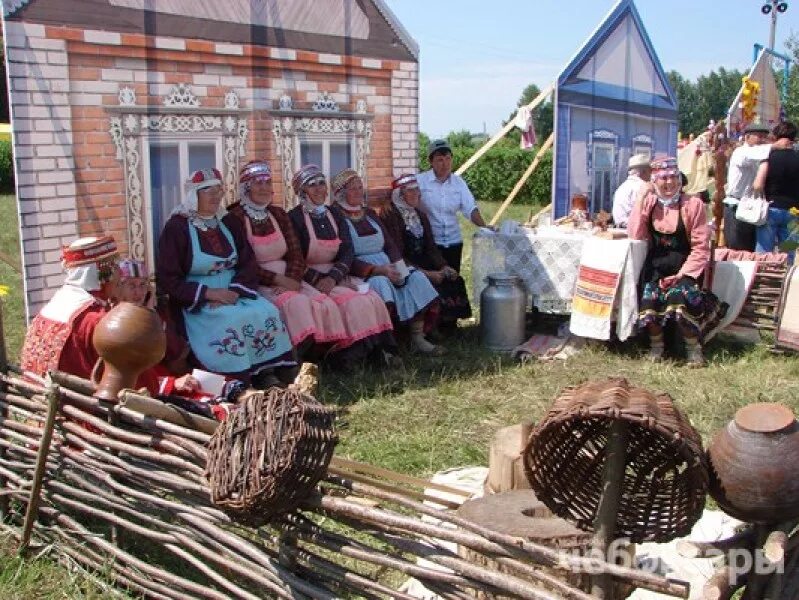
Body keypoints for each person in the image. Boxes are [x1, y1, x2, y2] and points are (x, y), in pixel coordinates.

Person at [156, 168, 295, 387]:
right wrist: (209, 294)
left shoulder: (228, 221)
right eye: (208, 191)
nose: (215, 196)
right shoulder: (177, 228)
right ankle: (236, 379)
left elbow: (247, 262)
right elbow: (168, 279)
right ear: (194, 195)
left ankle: (265, 371)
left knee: (266, 310)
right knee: (230, 320)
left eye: (219, 190)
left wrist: (237, 291)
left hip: (234, 290)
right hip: (199, 299)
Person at [224, 159, 348, 357]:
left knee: (323, 303)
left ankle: (323, 356)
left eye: (268, 182)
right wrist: (278, 280)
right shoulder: (234, 218)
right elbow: (243, 262)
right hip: (258, 282)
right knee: (297, 303)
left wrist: (292, 279)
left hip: (290, 278)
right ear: (246, 188)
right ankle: (292, 358)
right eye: (258, 183)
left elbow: (295, 253)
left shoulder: (278, 214)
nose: (264, 188)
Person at [286, 164, 398, 367]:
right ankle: (338, 357)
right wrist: (319, 280)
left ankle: (375, 352)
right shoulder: (293, 218)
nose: (320, 189)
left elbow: (347, 252)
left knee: (369, 299)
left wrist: (333, 277)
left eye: (322, 183)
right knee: (333, 306)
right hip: (309, 279)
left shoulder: (333, 214)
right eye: (313, 185)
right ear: (302, 191)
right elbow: (293, 258)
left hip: (336, 275)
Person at [330, 168, 443, 355]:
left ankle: (417, 338)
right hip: (360, 273)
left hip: (387, 265)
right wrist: (378, 270)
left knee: (416, 279)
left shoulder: (369, 213)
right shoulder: (336, 216)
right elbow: (345, 256)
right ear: (340, 193)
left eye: (360, 187)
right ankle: (385, 347)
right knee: (381, 285)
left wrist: (400, 269)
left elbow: (390, 244)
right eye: (353, 189)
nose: (359, 191)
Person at [628, 156, 726, 366]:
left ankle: (693, 349)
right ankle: (657, 347)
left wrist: (683, 274)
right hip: (656, 268)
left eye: (673, 177)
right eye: (663, 178)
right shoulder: (650, 204)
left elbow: (701, 247)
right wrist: (640, 199)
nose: (669, 183)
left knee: (680, 298)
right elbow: (635, 234)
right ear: (654, 181)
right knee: (649, 299)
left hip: (684, 268)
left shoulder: (693, 204)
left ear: (679, 179)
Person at [378, 173, 472, 333]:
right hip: (404, 265)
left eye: (417, 190)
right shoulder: (391, 216)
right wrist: (428, 274)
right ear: (400, 194)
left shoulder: (419, 215)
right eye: (411, 191)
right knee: (429, 282)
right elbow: (396, 255)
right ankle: (425, 331)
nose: (417, 194)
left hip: (422, 261)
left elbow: (430, 247)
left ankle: (447, 327)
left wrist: (443, 266)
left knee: (454, 280)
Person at [21, 236, 122, 380]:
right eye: (115, 266)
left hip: (35, 396)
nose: (121, 274)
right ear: (104, 274)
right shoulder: (94, 320)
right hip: (74, 401)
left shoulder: (52, 307)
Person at [417, 139, 489, 273]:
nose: (445, 164)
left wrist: (485, 227)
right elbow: (404, 198)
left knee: (453, 282)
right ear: (431, 162)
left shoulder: (458, 183)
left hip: (454, 242)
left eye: (448, 159)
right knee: (435, 284)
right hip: (431, 244)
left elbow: (470, 208)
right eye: (439, 160)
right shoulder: (420, 182)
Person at [752, 121, 799, 254]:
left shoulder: (768, 157)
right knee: (789, 251)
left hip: (771, 208)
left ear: (776, 136)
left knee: (764, 251)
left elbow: (758, 185)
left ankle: (763, 274)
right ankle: (787, 273)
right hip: (795, 211)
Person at [722, 123, 771, 251]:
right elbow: (764, 151)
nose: (763, 140)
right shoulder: (742, 152)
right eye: (759, 136)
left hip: (752, 207)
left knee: (750, 249)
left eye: (765, 137)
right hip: (736, 207)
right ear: (747, 137)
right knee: (738, 250)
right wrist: (778, 145)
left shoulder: (760, 155)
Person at [612, 153, 651, 228]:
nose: (651, 175)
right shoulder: (643, 187)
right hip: (634, 229)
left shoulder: (622, 187)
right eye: (650, 171)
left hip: (619, 228)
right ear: (644, 172)